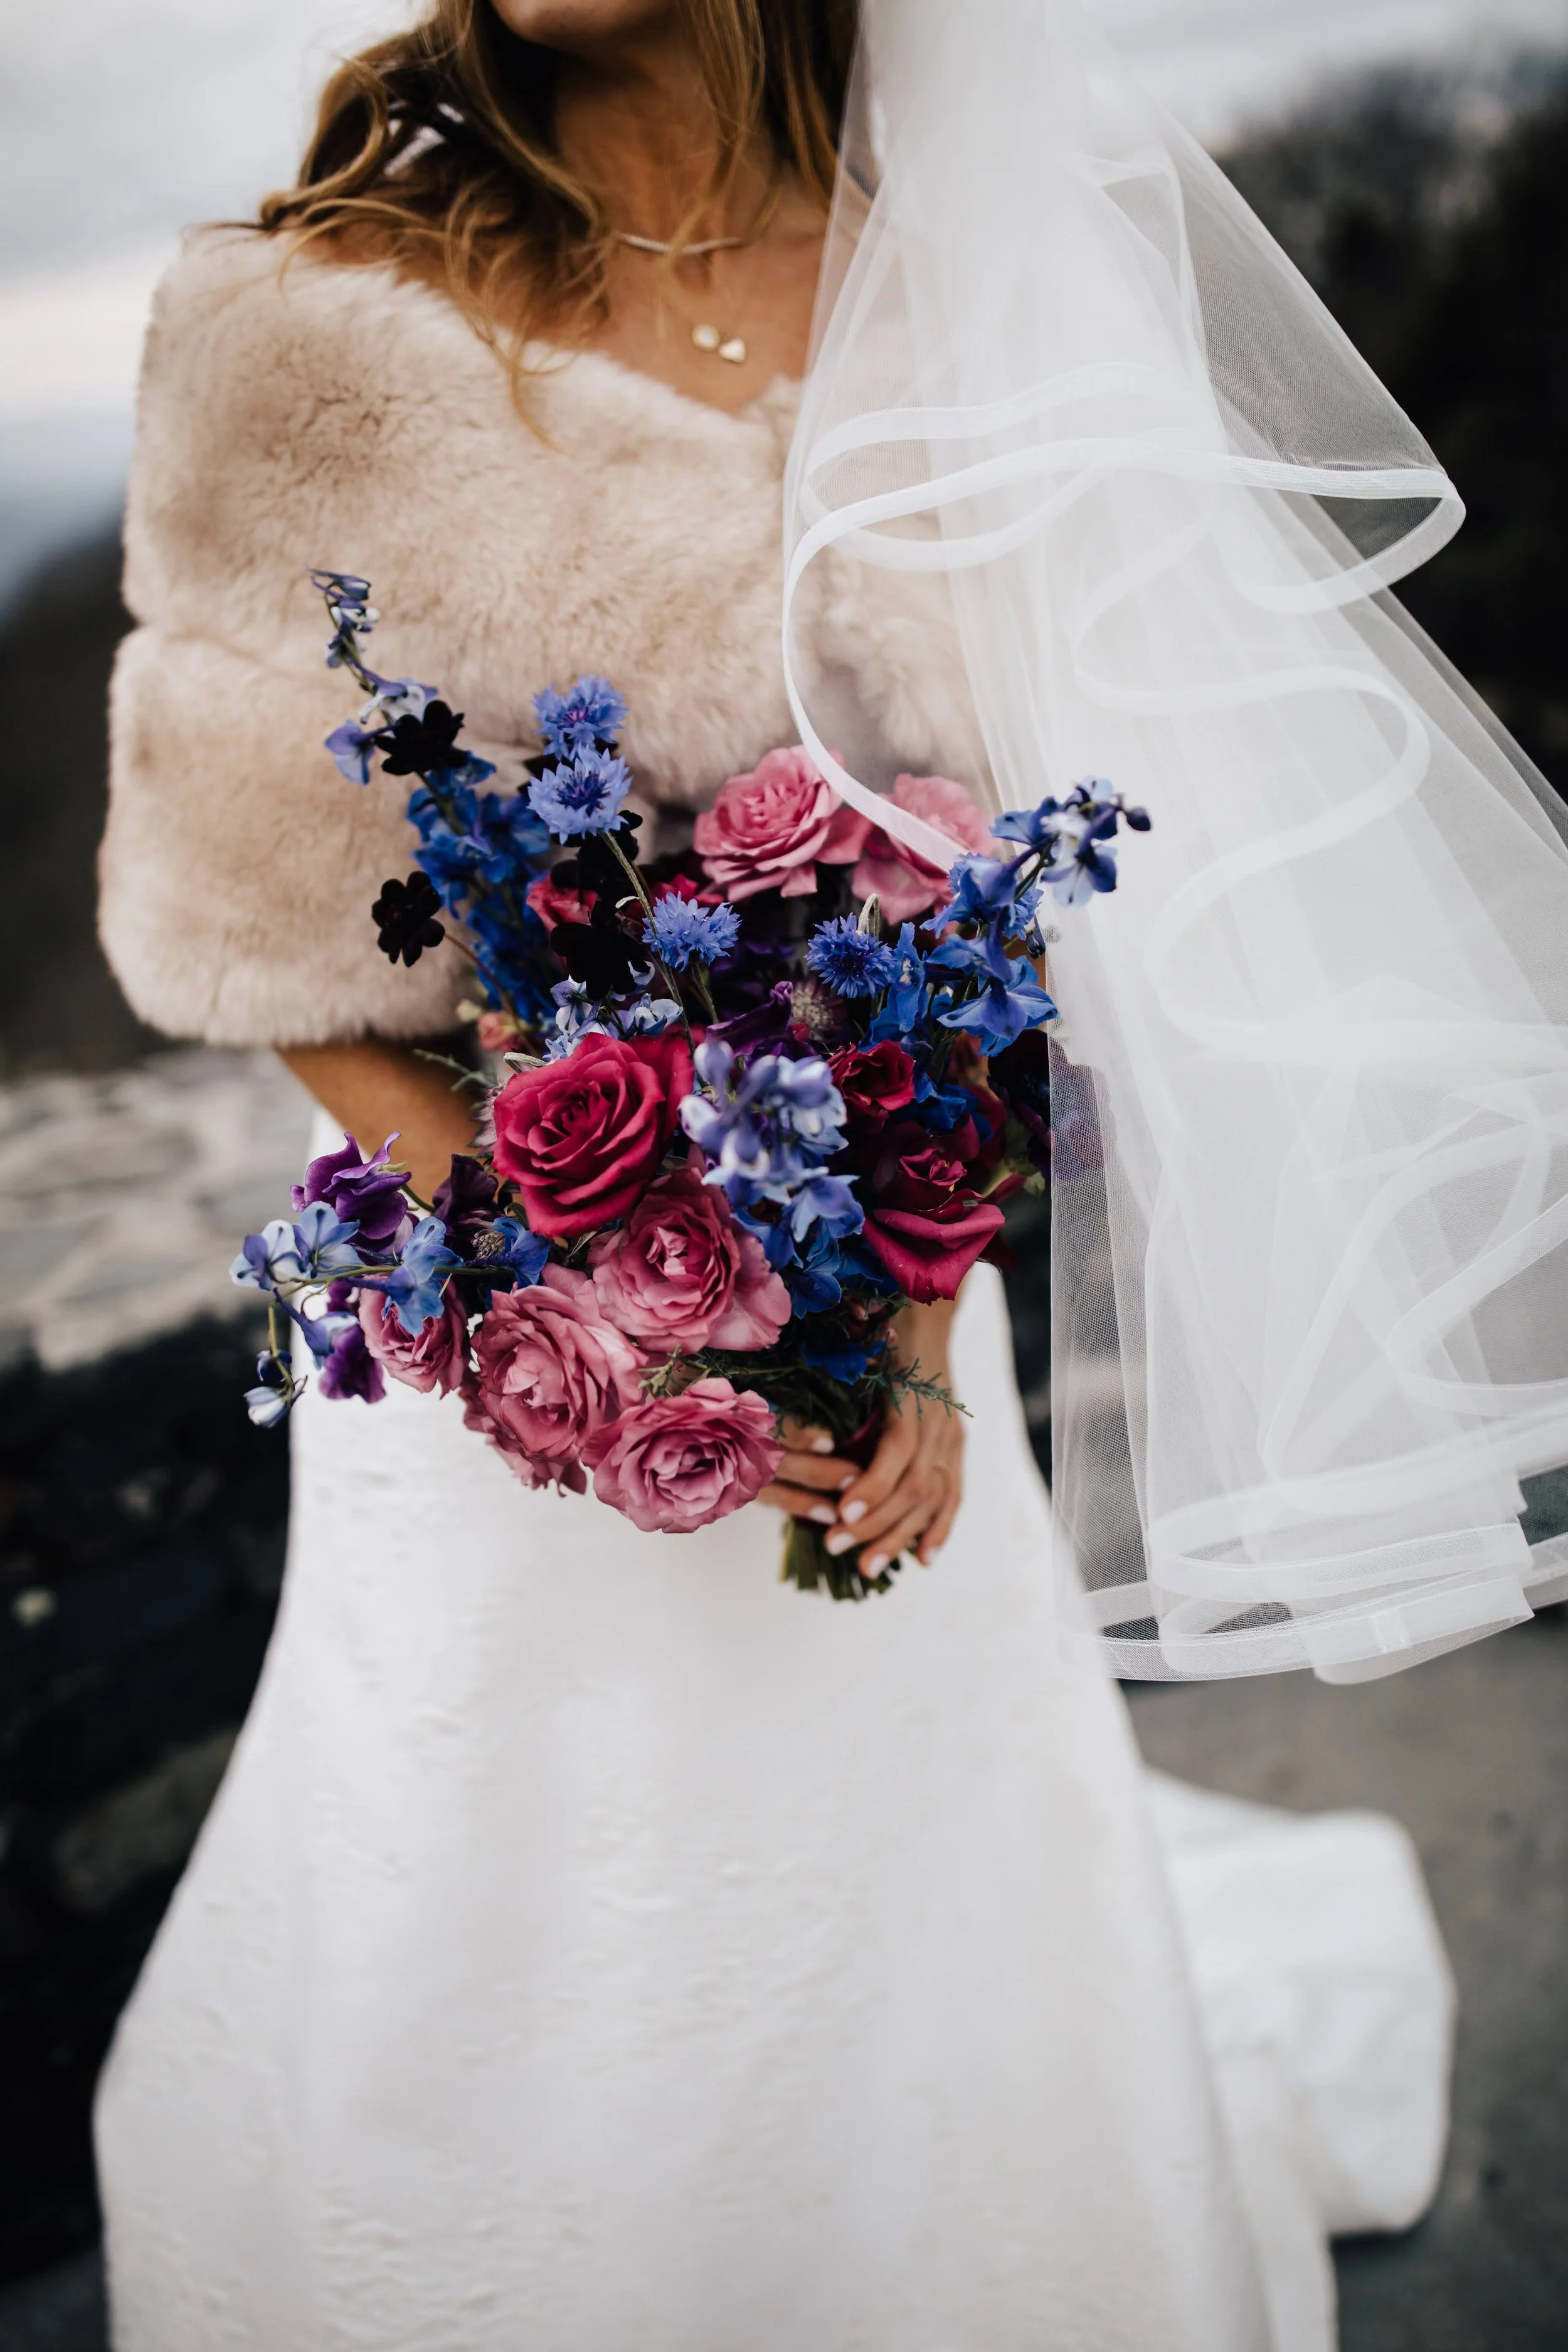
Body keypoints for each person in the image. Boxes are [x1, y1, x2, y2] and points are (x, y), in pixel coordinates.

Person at [93, 3, 1470, 2346]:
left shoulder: (972, 281)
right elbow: (260, 945)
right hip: (499, 1349)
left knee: (907, 1931)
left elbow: (1027, 887)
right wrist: (610, 1303)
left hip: (894, 1342)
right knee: (503, 1948)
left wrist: (908, 1316)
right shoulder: (304, 325)